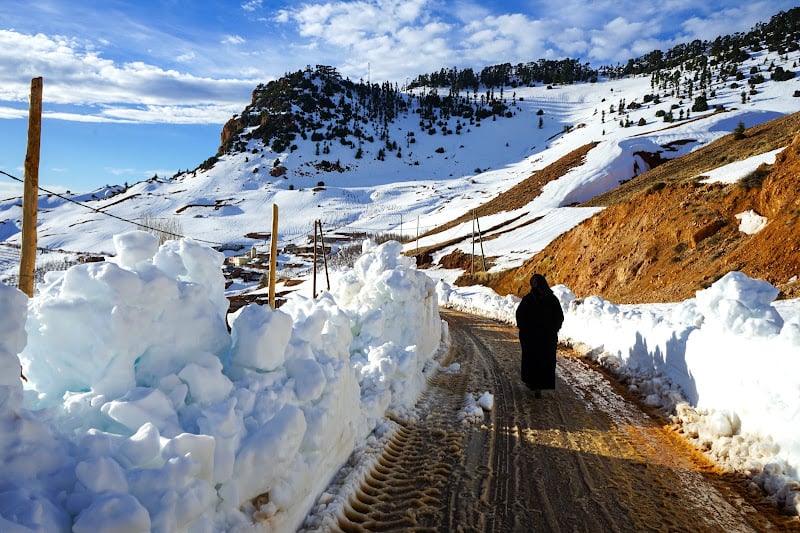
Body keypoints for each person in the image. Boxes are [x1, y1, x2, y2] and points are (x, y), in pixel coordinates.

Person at [515, 274, 564, 398]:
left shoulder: (528, 299)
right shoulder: (552, 299)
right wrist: (554, 329)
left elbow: (520, 315)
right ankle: (540, 385)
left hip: (532, 337)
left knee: (531, 359)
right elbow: (559, 317)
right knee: (545, 360)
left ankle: (533, 383)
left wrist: (524, 330)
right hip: (547, 337)